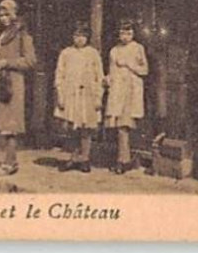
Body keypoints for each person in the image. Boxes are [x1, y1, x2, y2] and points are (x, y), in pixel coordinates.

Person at [0, 0, 36, 176]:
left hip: (13, 83)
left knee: (10, 125)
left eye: (7, 14)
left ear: (14, 14)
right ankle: (3, 160)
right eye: (0, 15)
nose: (3, 18)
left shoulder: (22, 34)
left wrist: (7, 63)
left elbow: (30, 61)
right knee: (0, 123)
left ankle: (11, 162)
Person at [55, 21, 104, 172]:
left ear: (87, 38)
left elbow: (99, 76)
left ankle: (85, 158)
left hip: (87, 94)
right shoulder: (66, 53)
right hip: (71, 94)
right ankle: (73, 157)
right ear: (72, 37)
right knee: (72, 128)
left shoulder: (93, 53)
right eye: (77, 36)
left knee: (86, 128)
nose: (80, 39)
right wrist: (60, 95)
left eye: (83, 36)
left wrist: (98, 96)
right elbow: (59, 75)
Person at [104, 18, 149, 173]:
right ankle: (124, 159)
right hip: (117, 89)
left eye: (128, 33)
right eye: (123, 33)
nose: (125, 37)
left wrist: (130, 65)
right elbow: (111, 70)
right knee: (119, 126)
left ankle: (123, 160)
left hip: (131, 90)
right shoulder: (114, 50)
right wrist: (108, 79)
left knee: (125, 126)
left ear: (133, 34)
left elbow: (145, 70)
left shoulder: (138, 48)